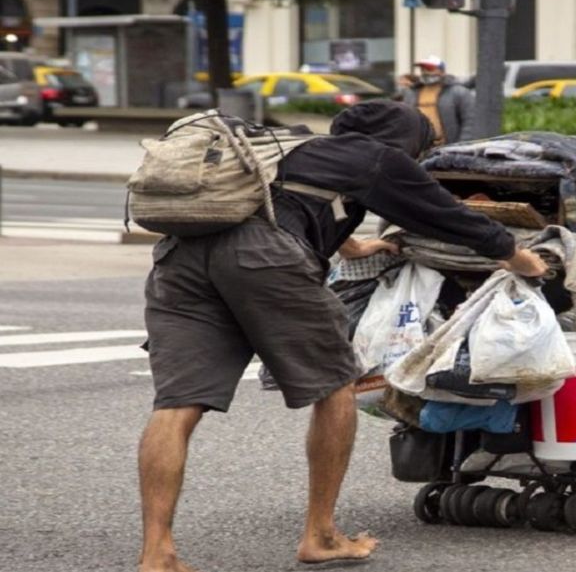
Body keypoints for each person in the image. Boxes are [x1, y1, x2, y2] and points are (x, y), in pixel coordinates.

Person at [136, 100, 547, 572]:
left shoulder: (297, 148)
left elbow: (286, 202)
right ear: (408, 141)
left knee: (177, 404)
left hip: (180, 259)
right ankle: (322, 535)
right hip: (263, 258)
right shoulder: (380, 157)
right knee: (335, 388)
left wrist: (352, 246)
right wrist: (520, 259)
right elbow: (450, 217)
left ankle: (157, 553)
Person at [400, 55, 475, 145]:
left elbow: (470, 121)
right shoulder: (412, 93)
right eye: (422, 69)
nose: (425, 72)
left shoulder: (459, 92)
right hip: (420, 146)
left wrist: (462, 144)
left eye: (429, 68)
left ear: (442, 71)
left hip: (448, 146)